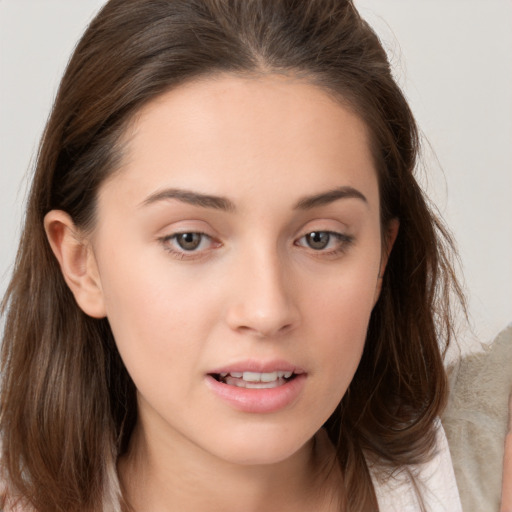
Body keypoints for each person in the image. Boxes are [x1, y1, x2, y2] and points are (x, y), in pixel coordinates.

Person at [0, 1, 465, 511]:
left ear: (381, 257)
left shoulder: (484, 473)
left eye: (320, 238)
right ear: (81, 263)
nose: (267, 311)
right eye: (190, 239)